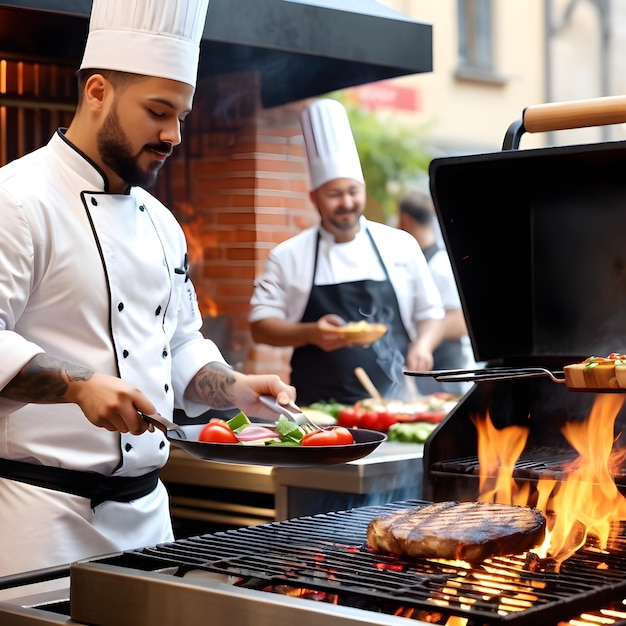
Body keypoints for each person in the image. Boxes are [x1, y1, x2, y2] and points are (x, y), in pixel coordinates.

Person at [0, 0, 295, 577]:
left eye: (182, 115)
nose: (174, 135)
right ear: (98, 91)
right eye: (158, 112)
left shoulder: (162, 222)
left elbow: (179, 341)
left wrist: (235, 388)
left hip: (151, 519)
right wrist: (78, 386)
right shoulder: (16, 200)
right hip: (40, 518)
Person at [249, 99, 445, 406]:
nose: (347, 203)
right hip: (318, 408)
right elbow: (260, 326)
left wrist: (423, 344)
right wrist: (311, 333)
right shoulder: (287, 255)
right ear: (314, 198)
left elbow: (431, 314)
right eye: (334, 194)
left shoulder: (400, 245)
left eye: (353, 191)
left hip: (393, 402)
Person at [397, 190, 473, 395]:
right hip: (423, 367)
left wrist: (424, 339)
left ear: (404, 219)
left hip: (444, 367)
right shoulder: (416, 261)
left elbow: (460, 321)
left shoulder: (440, 264)